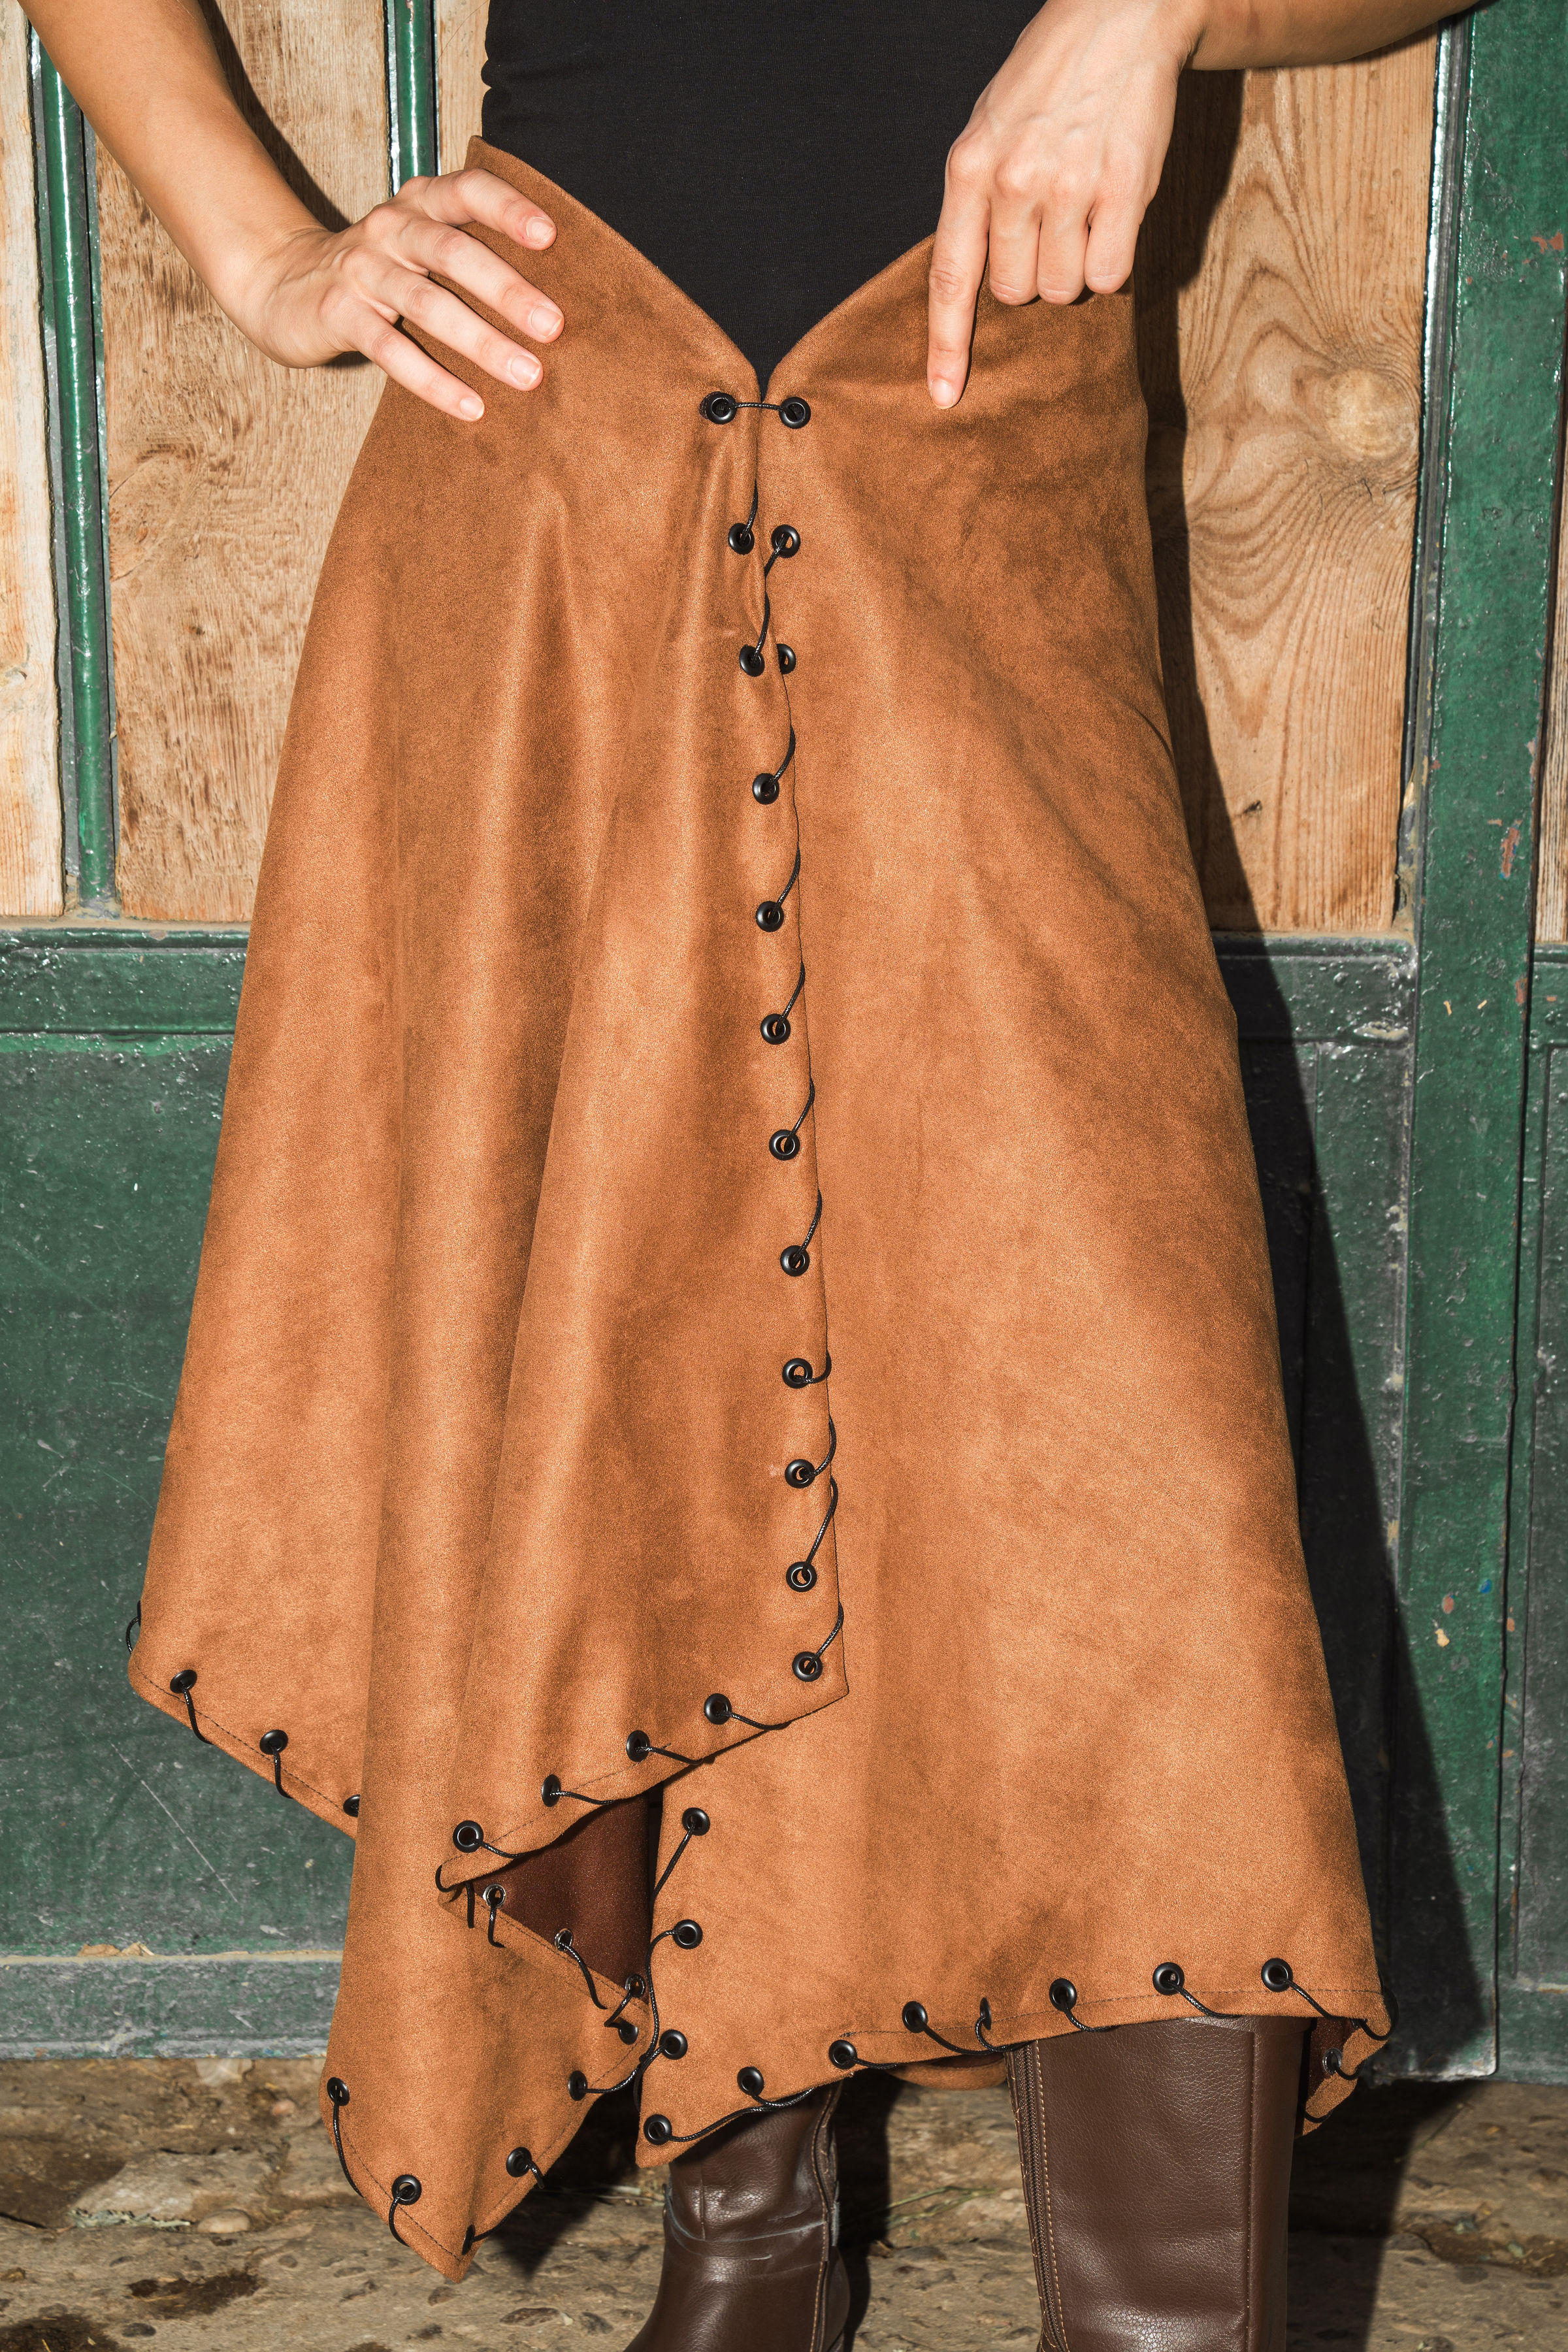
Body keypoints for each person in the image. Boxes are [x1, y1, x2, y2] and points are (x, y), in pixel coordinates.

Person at [32, 3, 1455, 2347]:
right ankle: (752, 2229)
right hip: (556, 456)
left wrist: (1147, 10)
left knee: (1117, 1412)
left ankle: (1172, 2318)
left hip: (981, 418)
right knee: (638, 1357)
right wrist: (264, 253)